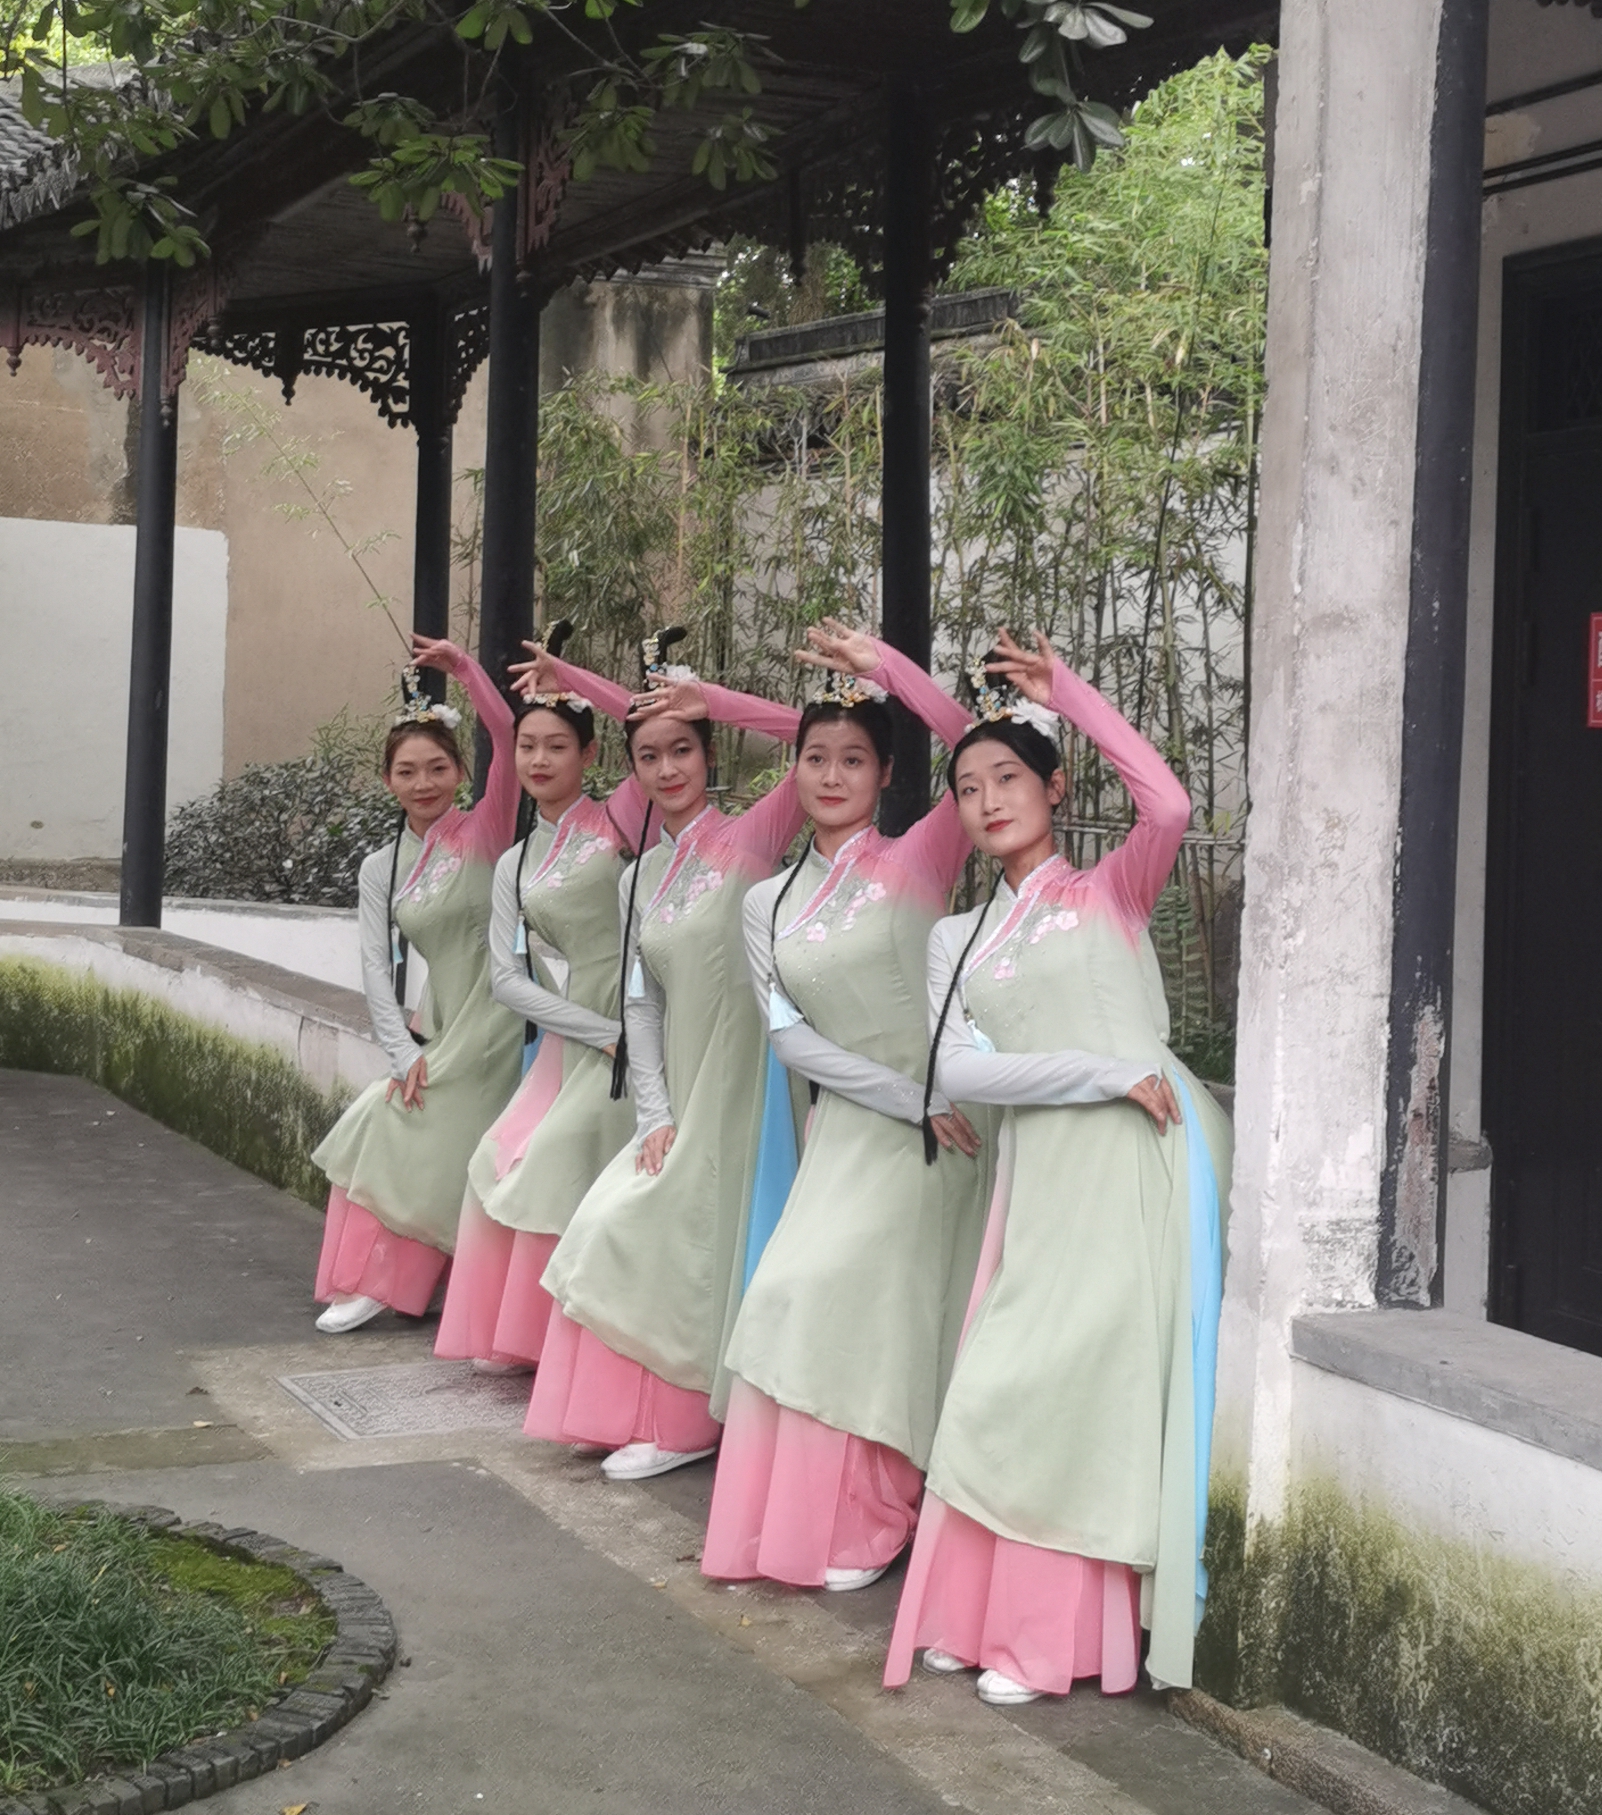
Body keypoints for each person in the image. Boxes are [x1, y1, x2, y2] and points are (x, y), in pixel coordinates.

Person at [883, 628, 1230, 1706]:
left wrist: (1065, 692)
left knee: (1082, 1388)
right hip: (1039, 1172)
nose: (988, 801)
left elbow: (1168, 805)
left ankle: (1047, 1637)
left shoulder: (1112, 891)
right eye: (968, 787)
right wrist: (1101, 1072)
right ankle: (979, 1612)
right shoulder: (957, 939)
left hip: (1135, 1169)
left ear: (1054, 784)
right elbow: (958, 1069)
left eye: (1008, 778)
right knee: (1005, 1379)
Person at [701, 619, 990, 1594]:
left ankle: (878, 1513)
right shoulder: (767, 903)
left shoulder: (917, 861)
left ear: (885, 775)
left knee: (873, 1308)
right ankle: (822, 1514)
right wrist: (904, 1097)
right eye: (816, 757)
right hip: (865, 1124)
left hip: (946, 1134)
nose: (831, 775)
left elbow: (976, 745)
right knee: (792, 1296)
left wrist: (892, 672)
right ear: (793, 770)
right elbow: (790, 1038)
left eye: (854, 759)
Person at [519, 631, 808, 1480]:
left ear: (708, 754)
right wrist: (653, 1110)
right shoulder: (635, 876)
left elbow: (811, 734)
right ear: (632, 770)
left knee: (691, 1230)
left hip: (747, 1072)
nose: (667, 767)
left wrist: (709, 697)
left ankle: (687, 1419)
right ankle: (639, 1409)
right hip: (680, 1076)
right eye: (648, 755)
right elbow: (639, 1003)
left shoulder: (752, 838)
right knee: (618, 1223)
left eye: (682, 748)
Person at [432, 641, 647, 1371]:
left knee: (555, 1154)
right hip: (581, 1027)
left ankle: (566, 1334)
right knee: (496, 1155)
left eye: (558, 746)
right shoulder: (516, 861)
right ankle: (519, 1334)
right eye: (527, 746)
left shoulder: (621, 818)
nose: (539, 759)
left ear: (591, 754)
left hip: (640, 1012)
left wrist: (572, 676)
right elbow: (507, 979)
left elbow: (645, 718)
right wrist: (598, 1032)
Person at [310, 634, 523, 1334]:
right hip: (440, 1025)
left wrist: (464, 668)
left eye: (437, 767)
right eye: (407, 771)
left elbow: (507, 731)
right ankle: (390, 1276)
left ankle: (387, 1279)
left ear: (461, 771)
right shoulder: (381, 866)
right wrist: (401, 1052)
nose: (424, 782)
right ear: (387, 780)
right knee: (389, 1116)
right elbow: (375, 964)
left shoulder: (487, 830)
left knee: (405, 1128)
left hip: (502, 1017)